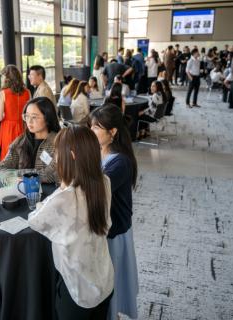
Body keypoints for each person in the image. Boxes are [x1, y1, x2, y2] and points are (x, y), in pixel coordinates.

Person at [28, 125, 114, 320]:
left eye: (58, 152)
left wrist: (64, 185)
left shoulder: (65, 198)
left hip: (77, 289)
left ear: (72, 155)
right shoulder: (104, 182)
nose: (57, 157)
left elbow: (34, 220)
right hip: (104, 278)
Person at [89, 104, 138, 320]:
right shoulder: (99, 153)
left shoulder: (120, 162)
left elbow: (97, 189)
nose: (92, 132)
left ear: (113, 132)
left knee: (112, 284)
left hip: (114, 232)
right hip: (105, 228)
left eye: (96, 128)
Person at [0, 97, 61, 183]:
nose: (29, 121)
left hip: (51, 194)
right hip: (23, 193)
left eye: (34, 117)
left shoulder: (58, 142)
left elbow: (51, 175)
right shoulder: (20, 142)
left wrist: (14, 175)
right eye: (27, 116)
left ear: (47, 118)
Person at [0, 65, 31, 161]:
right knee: (22, 155)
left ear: (7, 78)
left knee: (9, 157)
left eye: (2, 76)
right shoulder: (27, 92)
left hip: (9, 128)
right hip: (23, 126)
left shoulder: (3, 93)